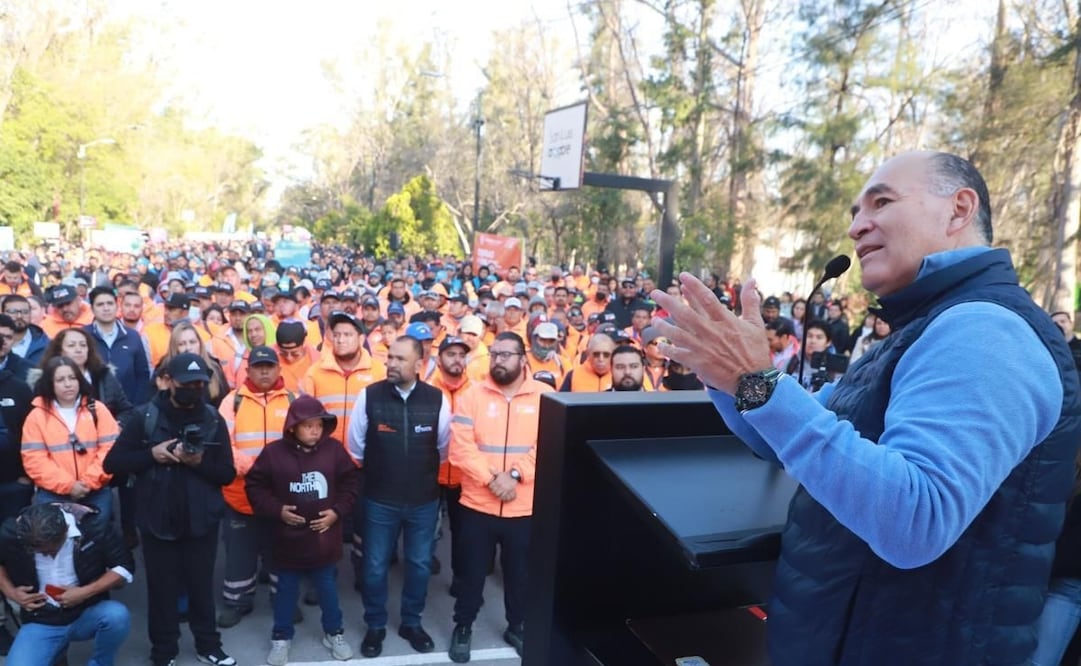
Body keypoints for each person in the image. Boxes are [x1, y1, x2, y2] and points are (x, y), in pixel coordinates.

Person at [649, 150, 1081, 664]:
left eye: (882, 202)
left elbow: (916, 521)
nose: (857, 226)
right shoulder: (925, 326)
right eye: (856, 212)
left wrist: (756, 380)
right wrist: (723, 371)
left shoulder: (986, 330)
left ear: (959, 209)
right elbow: (785, 434)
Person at [103, 352, 237, 666]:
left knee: (201, 587)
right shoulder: (145, 417)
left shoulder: (212, 419)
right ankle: (164, 651)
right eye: (186, 383)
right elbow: (113, 464)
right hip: (157, 519)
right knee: (162, 590)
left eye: (199, 384)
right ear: (168, 381)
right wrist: (153, 455)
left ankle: (208, 645)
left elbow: (227, 473)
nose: (194, 389)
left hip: (201, 520)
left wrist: (199, 462)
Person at [447, 332, 553, 663]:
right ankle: (463, 625)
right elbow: (460, 448)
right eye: (494, 354)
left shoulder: (545, 397)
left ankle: (517, 625)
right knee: (471, 574)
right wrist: (494, 479)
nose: (498, 360)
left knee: (520, 575)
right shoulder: (472, 396)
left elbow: (547, 444)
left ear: (523, 359)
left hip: (523, 508)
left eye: (506, 355)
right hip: (478, 505)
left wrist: (516, 476)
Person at [347, 336, 451, 657]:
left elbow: (443, 448)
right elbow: (355, 448)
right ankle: (375, 625)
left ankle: (411, 623)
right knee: (375, 566)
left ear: (419, 364)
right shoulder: (369, 397)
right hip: (379, 499)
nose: (391, 363)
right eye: (390, 357)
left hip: (423, 501)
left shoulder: (437, 399)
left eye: (400, 359)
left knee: (419, 565)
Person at [245, 395, 359, 666]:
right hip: (288, 542)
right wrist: (277, 510)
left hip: (324, 540)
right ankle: (281, 637)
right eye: (308, 426)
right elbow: (255, 487)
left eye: (319, 425)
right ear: (293, 427)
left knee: (327, 590)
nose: (315, 431)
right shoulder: (273, 453)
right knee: (285, 592)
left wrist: (337, 512)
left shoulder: (334, 450)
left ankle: (334, 633)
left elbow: (351, 482)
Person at [215, 346, 293, 629]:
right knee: (240, 552)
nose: (264, 372)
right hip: (240, 494)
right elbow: (224, 444)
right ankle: (237, 601)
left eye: (269, 367)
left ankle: (283, 599)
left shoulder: (292, 400)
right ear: (247, 371)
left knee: (282, 550)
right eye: (258, 367)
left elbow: (300, 443)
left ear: (278, 369)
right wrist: (256, 469)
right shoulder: (231, 402)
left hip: (281, 495)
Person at [0, 503, 133, 666]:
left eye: (50, 551)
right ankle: (55, 652)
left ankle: (100, 663)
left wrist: (85, 592)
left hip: (86, 610)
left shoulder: (95, 527)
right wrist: (11, 593)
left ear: (66, 531)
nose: (46, 555)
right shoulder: (11, 532)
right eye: (39, 552)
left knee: (116, 615)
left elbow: (123, 567)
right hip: (41, 618)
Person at [22, 356, 120, 538]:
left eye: (72, 378)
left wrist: (88, 482)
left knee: (97, 543)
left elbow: (110, 449)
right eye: (60, 380)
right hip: (53, 495)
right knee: (57, 544)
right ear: (50, 384)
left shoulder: (98, 409)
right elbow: (34, 459)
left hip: (96, 492)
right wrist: (69, 486)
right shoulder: (36, 417)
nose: (68, 384)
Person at [37, 327, 134, 428]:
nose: (79, 350)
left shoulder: (104, 376)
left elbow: (126, 410)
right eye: (71, 345)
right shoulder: (46, 380)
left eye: (83, 345)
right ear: (59, 351)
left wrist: (115, 427)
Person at [84, 286, 152, 409]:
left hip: (128, 408)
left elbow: (142, 375)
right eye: (100, 304)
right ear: (92, 309)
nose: (106, 308)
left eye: (110, 303)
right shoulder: (83, 336)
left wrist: (136, 408)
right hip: (92, 408)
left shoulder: (133, 336)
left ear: (117, 306)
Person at [3, 295, 49, 366]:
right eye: (13, 311)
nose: (19, 316)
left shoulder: (46, 345)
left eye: (25, 312)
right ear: (2, 313)